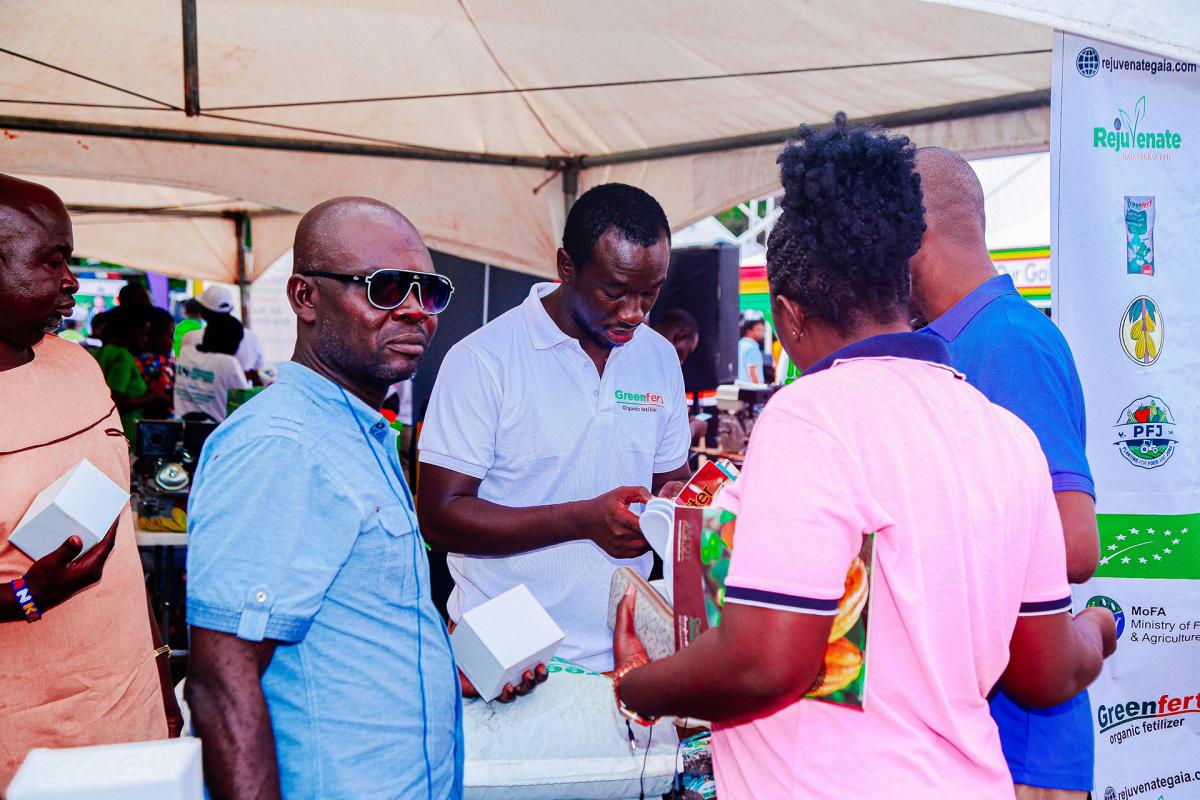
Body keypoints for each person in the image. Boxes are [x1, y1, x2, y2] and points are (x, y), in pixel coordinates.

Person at [608, 117, 1117, 799]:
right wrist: (1098, 627)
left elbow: (767, 663)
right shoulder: (1005, 436)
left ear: (787, 315)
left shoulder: (811, 415)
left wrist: (638, 685)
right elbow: (1047, 672)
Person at [185, 197, 541, 800]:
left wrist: (444, 670)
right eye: (385, 288)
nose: (415, 310)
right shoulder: (282, 444)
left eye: (429, 292)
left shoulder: (356, 431)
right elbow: (222, 683)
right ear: (304, 298)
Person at [417, 183, 692, 672]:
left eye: (649, 293)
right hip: (508, 660)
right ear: (566, 266)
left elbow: (671, 482)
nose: (634, 312)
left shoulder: (659, 356)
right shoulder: (483, 360)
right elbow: (439, 518)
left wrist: (678, 505)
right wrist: (581, 520)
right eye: (614, 292)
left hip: (628, 653)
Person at [911, 147, 1101, 800]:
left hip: (1022, 745)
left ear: (913, 228)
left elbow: (1074, 546)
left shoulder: (1006, 342)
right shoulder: (960, 339)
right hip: (978, 733)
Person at [0, 174, 177, 787]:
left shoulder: (78, 365)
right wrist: (23, 598)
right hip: (29, 749)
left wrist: (160, 673)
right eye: (52, 261)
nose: (72, 280)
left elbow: (117, 541)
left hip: (132, 718)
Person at [92, 304, 165, 441]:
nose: (145, 339)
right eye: (142, 334)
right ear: (128, 331)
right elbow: (116, 401)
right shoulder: (123, 356)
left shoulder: (99, 352)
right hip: (123, 434)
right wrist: (152, 398)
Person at [181, 286, 265, 385]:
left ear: (203, 312)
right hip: (241, 393)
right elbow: (257, 371)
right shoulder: (253, 338)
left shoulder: (189, 337)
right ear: (231, 309)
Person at [174, 313, 250, 422]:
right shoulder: (228, 363)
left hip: (181, 426)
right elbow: (245, 399)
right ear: (231, 342)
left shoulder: (185, 352)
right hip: (216, 428)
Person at [652, 309, 708, 444]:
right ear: (680, 337)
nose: (682, 361)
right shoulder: (654, 373)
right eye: (688, 351)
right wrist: (693, 429)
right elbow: (660, 442)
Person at [137, 306, 177, 419]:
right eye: (170, 336)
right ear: (153, 336)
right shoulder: (151, 361)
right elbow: (163, 395)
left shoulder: (164, 360)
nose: (173, 341)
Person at [737, 314, 766, 383]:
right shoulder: (752, 347)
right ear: (749, 331)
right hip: (751, 388)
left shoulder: (739, 344)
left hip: (739, 386)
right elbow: (752, 372)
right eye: (759, 329)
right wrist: (758, 388)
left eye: (763, 329)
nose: (762, 333)